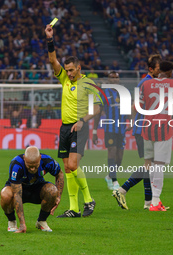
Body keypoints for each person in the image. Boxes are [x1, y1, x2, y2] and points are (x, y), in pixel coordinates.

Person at [45, 24, 101, 218]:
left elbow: (98, 106)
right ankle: (74, 208)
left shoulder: (88, 83)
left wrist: (84, 120)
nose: (68, 74)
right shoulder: (64, 79)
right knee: (67, 168)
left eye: (71, 70)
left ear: (78, 68)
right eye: (66, 70)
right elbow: (53, 60)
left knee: (74, 165)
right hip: (65, 128)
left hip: (80, 126)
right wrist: (50, 39)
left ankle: (89, 200)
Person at [113, 54, 162, 210]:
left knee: (149, 165)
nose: (161, 73)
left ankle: (148, 202)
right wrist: (135, 124)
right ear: (151, 69)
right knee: (150, 164)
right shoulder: (146, 83)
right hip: (144, 130)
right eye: (159, 69)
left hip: (145, 128)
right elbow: (135, 106)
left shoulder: (152, 83)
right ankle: (122, 190)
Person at [140, 61, 173, 211]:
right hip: (163, 128)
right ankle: (155, 202)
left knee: (151, 165)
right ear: (170, 71)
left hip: (147, 128)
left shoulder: (146, 84)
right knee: (159, 165)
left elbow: (140, 105)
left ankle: (153, 200)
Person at [0, 146, 64, 233]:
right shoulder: (16, 164)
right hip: (18, 191)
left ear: (40, 158)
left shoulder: (48, 161)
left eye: (35, 166)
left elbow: (60, 174)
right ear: (24, 158)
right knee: (5, 194)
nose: (32, 169)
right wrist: (22, 224)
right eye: (29, 166)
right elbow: (17, 195)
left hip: (37, 189)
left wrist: (58, 197)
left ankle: (41, 221)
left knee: (52, 191)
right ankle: (12, 221)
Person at [92, 71, 129, 191]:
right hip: (109, 128)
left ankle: (109, 176)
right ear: (108, 79)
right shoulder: (103, 92)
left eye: (116, 77)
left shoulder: (125, 92)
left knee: (119, 158)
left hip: (121, 129)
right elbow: (98, 112)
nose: (114, 80)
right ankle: (114, 181)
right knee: (112, 152)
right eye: (112, 78)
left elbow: (129, 110)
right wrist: (94, 131)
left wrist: (132, 122)